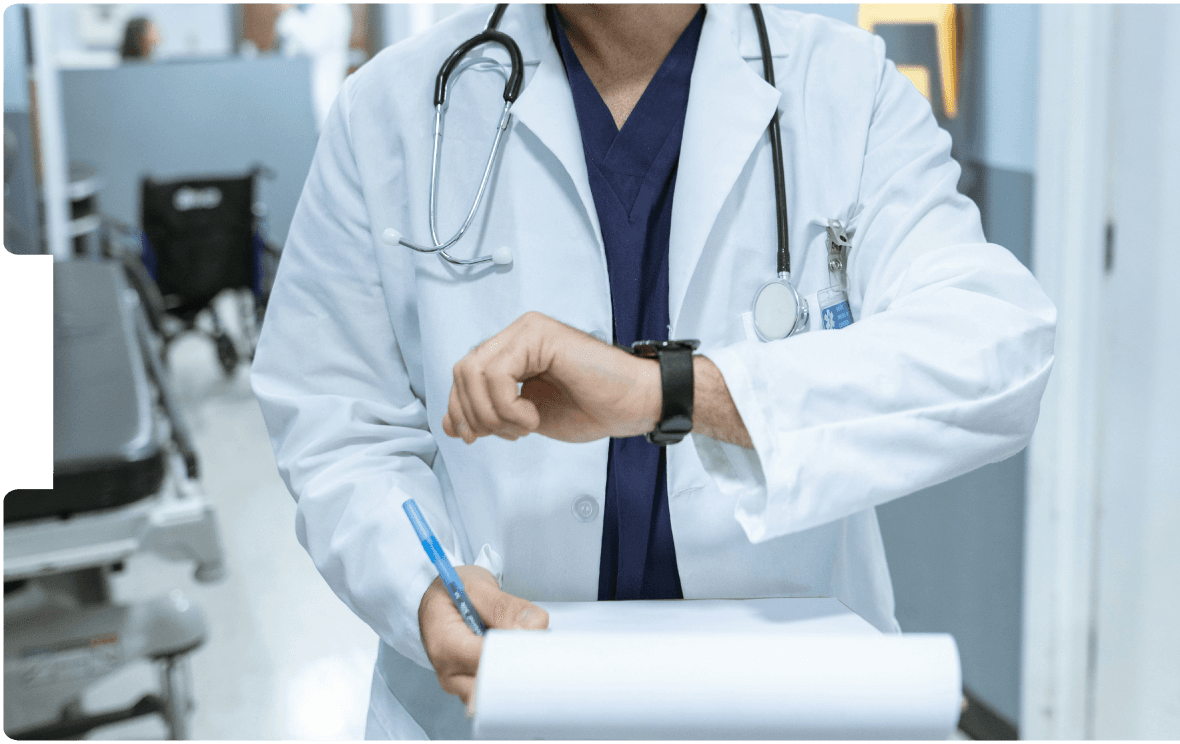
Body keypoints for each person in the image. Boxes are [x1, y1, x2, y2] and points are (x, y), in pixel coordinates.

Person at [251, 3, 1056, 740]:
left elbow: (996, 347)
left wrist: (672, 393)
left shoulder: (845, 88)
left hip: (776, 699)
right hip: (494, 698)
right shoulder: (390, 107)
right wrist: (422, 585)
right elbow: (336, 420)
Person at [274, 3, 353, 131]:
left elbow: (312, 43)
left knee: (324, 130)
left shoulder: (329, 7)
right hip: (306, 89)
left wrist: (288, 12)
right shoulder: (312, 9)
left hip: (323, 87)